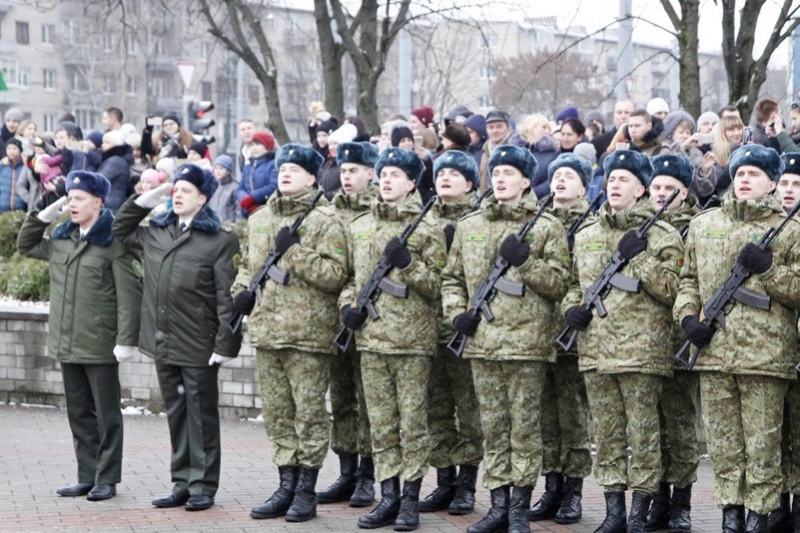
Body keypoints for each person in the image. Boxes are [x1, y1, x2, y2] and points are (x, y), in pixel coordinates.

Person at [442, 145, 570, 533]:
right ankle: (497, 506)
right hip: (483, 343)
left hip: (527, 346)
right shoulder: (470, 225)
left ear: (527, 181)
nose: (500, 178)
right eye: (495, 172)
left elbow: (560, 285)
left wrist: (526, 261)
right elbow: (451, 279)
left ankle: (519, 508)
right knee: (493, 428)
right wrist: (456, 314)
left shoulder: (547, 226)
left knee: (524, 430)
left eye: (509, 173)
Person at [674, 144, 800, 533]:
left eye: (754, 174)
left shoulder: (792, 230)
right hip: (713, 355)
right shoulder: (703, 224)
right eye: (740, 172)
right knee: (725, 448)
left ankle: (759, 518)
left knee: (762, 450)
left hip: (765, 358)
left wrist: (771, 270)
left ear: (772, 184)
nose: (744, 179)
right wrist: (686, 319)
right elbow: (688, 281)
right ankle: (730, 516)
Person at [562, 150, 684, 533]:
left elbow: (673, 289)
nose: (614, 185)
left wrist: (643, 259)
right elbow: (571, 286)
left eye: (624, 179)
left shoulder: (662, 234)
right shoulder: (587, 234)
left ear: (641, 189)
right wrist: (571, 310)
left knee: (644, 434)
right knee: (608, 435)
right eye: (611, 178)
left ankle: (638, 514)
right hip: (596, 351)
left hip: (641, 353)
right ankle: (614, 512)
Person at [112, 163, 242, 512]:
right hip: (163, 340)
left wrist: (225, 344)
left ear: (203, 198)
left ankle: (203, 485)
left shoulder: (219, 239)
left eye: (187, 190)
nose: (178, 194)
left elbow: (227, 298)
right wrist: (142, 201)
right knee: (177, 416)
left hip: (198, 343)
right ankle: (181, 482)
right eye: (176, 189)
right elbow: (119, 230)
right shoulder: (157, 230)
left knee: (201, 417)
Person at [230, 144, 347, 523]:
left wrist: (295, 254)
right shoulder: (261, 218)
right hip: (268, 330)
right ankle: (285, 484)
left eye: (295, 169)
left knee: (309, 414)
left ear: (312, 177)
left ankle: (305, 491)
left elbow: (335, 276)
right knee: (278, 415)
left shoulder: (327, 220)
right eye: (282, 168)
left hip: (308, 335)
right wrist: (241, 294)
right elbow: (248, 267)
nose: (285, 174)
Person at [17, 171, 142, 502]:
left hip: (100, 342)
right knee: (79, 414)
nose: (72, 204)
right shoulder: (62, 239)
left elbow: (130, 297)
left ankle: (108, 478)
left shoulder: (113, 242)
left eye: (79, 198)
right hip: (66, 341)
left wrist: (126, 340)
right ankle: (87, 475)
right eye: (70, 198)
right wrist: (42, 215)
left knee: (107, 414)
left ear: (98, 202)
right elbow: (25, 245)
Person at [341, 146, 445, 531]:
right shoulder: (361, 226)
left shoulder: (428, 226)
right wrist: (346, 307)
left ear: (412, 183)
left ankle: (411, 499)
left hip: (412, 342)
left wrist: (410, 264)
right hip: (372, 340)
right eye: (383, 174)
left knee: (413, 424)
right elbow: (351, 280)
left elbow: (438, 285)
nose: (386, 180)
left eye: (395, 175)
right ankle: (388, 496)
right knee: (381, 424)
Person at [528, 153, 594, 526]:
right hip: (539, 331)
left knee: (572, 416)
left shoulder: (592, 222)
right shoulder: (536, 222)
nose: (561, 181)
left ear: (584, 186)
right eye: (556, 175)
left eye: (570, 176)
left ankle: (573, 492)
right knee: (545, 418)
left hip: (573, 331)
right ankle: (551, 487)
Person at [418, 150, 484, 517]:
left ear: (470, 184)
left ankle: (467, 483)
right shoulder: (421, 219)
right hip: (428, 329)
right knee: (437, 409)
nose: (444, 178)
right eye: (441, 173)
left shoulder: (479, 220)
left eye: (455, 174)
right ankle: (444, 480)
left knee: (469, 409)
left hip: (465, 329)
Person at [317, 141, 379, 508]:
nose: (347, 176)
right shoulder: (328, 212)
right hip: (334, 319)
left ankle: (367, 476)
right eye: (343, 170)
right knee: (341, 399)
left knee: (369, 401)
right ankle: (346, 471)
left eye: (354, 170)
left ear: (370, 172)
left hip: (370, 319)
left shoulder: (379, 211)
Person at [644, 154, 700, 532]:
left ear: (684, 192)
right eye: (656, 188)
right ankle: (657, 500)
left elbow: (684, 284)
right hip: (643, 342)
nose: (661, 195)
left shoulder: (697, 227)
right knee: (653, 426)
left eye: (670, 189)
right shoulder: (641, 227)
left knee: (679, 425)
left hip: (679, 340)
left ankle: (681, 502)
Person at [769, 153, 800, 532]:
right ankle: (775, 503)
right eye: (786, 183)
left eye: (797, 183)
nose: (790, 189)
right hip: (773, 347)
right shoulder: (770, 229)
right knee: (774, 431)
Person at [479, 110, 527, 191]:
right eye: (491, 127)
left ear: (508, 127)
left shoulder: (517, 150)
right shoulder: (486, 152)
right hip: (487, 200)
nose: (495, 131)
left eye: (499, 127)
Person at [236, 131, 278, 217]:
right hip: (247, 212)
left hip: (267, 212)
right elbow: (240, 188)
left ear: (267, 146)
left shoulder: (273, 164)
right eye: (252, 145)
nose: (254, 148)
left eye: (258, 144)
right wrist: (246, 200)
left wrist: (253, 198)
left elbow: (274, 186)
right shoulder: (248, 167)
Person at [97, 130, 133, 212]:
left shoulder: (115, 161)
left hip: (109, 205)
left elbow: (99, 180)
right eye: (103, 142)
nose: (102, 145)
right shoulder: (115, 160)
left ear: (116, 144)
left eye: (107, 143)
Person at [0, 137, 35, 212]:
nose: (11, 151)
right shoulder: (2, 165)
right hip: (2, 210)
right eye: (8, 148)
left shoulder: (25, 166)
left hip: (20, 209)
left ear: (20, 150)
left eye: (14, 148)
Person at [208, 155, 241, 223]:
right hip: (213, 225)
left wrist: (237, 227)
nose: (217, 171)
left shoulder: (235, 187)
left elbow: (239, 210)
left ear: (228, 171)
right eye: (216, 168)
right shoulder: (213, 185)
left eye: (221, 168)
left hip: (228, 227)